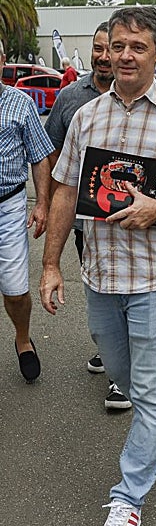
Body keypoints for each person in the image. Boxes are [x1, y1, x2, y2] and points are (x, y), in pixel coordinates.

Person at [40, 6, 156, 526]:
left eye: (136, 47)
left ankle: (128, 499)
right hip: (100, 273)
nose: (123, 55)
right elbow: (66, 191)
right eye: (116, 45)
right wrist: (51, 264)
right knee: (120, 373)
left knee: (144, 389)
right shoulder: (86, 116)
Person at [45, 22, 132, 410]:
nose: (102, 56)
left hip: (137, 221)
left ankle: (120, 378)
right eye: (97, 49)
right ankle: (111, 347)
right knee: (102, 290)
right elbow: (53, 154)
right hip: (87, 221)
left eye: (108, 49)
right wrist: (45, 203)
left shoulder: (144, 97)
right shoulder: (70, 99)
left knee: (129, 292)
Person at [0, 39, 53, 383]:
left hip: (8, 205)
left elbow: (39, 155)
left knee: (16, 290)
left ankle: (22, 338)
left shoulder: (20, 102)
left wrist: (43, 203)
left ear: (2, 60)